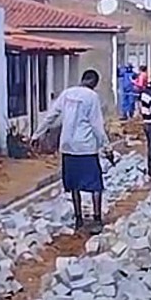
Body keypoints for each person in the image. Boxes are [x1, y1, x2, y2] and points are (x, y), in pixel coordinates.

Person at [35, 69, 115, 234]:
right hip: (86, 147)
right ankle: (97, 219)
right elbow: (97, 126)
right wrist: (107, 148)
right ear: (94, 82)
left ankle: (79, 219)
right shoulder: (92, 97)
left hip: (67, 146)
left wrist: (37, 134)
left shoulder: (67, 94)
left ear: (83, 79)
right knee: (95, 185)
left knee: (74, 185)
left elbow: (51, 116)